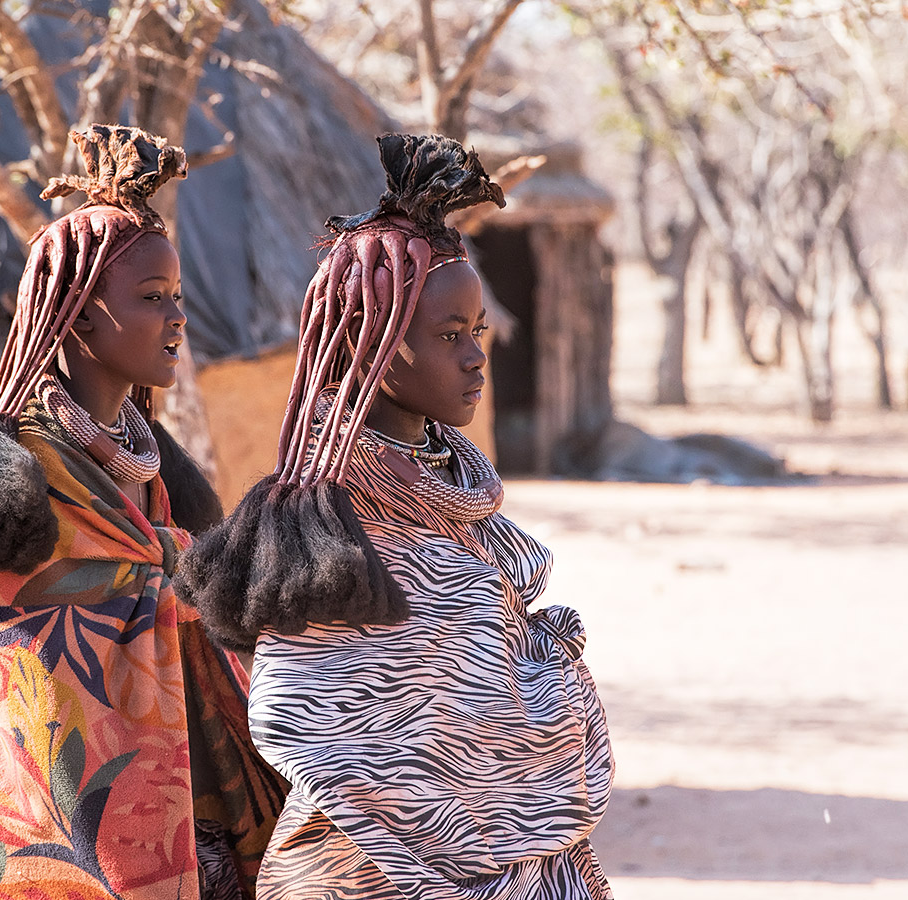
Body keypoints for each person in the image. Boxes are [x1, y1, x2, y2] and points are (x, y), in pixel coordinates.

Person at [0, 124, 284, 900]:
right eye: (150, 299)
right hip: (31, 849)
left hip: (172, 824)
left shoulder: (147, 466)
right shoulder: (15, 478)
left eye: (177, 296)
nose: (178, 318)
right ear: (75, 316)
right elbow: (37, 683)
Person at [179, 133, 615, 899]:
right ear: (368, 345)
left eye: (475, 331)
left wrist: (542, 682)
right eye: (449, 336)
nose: (477, 357)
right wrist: (550, 686)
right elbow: (298, 712)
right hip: (360, 879)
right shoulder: (330, 535)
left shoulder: (462, 510)